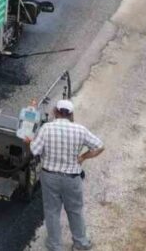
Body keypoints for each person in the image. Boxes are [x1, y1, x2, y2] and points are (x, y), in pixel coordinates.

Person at [28, 99, 104, 251]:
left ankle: (55, 245)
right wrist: (83, 157)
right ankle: (81, 243)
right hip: (72, 179)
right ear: (70, 114)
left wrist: (29, 141)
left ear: (56, 112)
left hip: (49, 177)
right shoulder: (80, 130)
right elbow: (100, 146)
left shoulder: (46, 128)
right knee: (75, 210)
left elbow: (34, 151)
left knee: (52, 211)